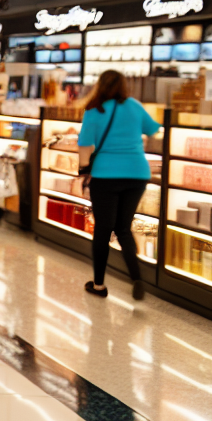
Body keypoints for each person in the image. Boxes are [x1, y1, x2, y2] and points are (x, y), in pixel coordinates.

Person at [77, 69, 160, 301]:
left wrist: (83, 169)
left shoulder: (94, 109)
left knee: (103, 229)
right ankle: (136, 278)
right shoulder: (133, 105)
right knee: (123, 227)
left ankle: (99, 285)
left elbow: (84, 143)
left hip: (105, 175)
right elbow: (154, 129)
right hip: (137, 174)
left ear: (100, 85)